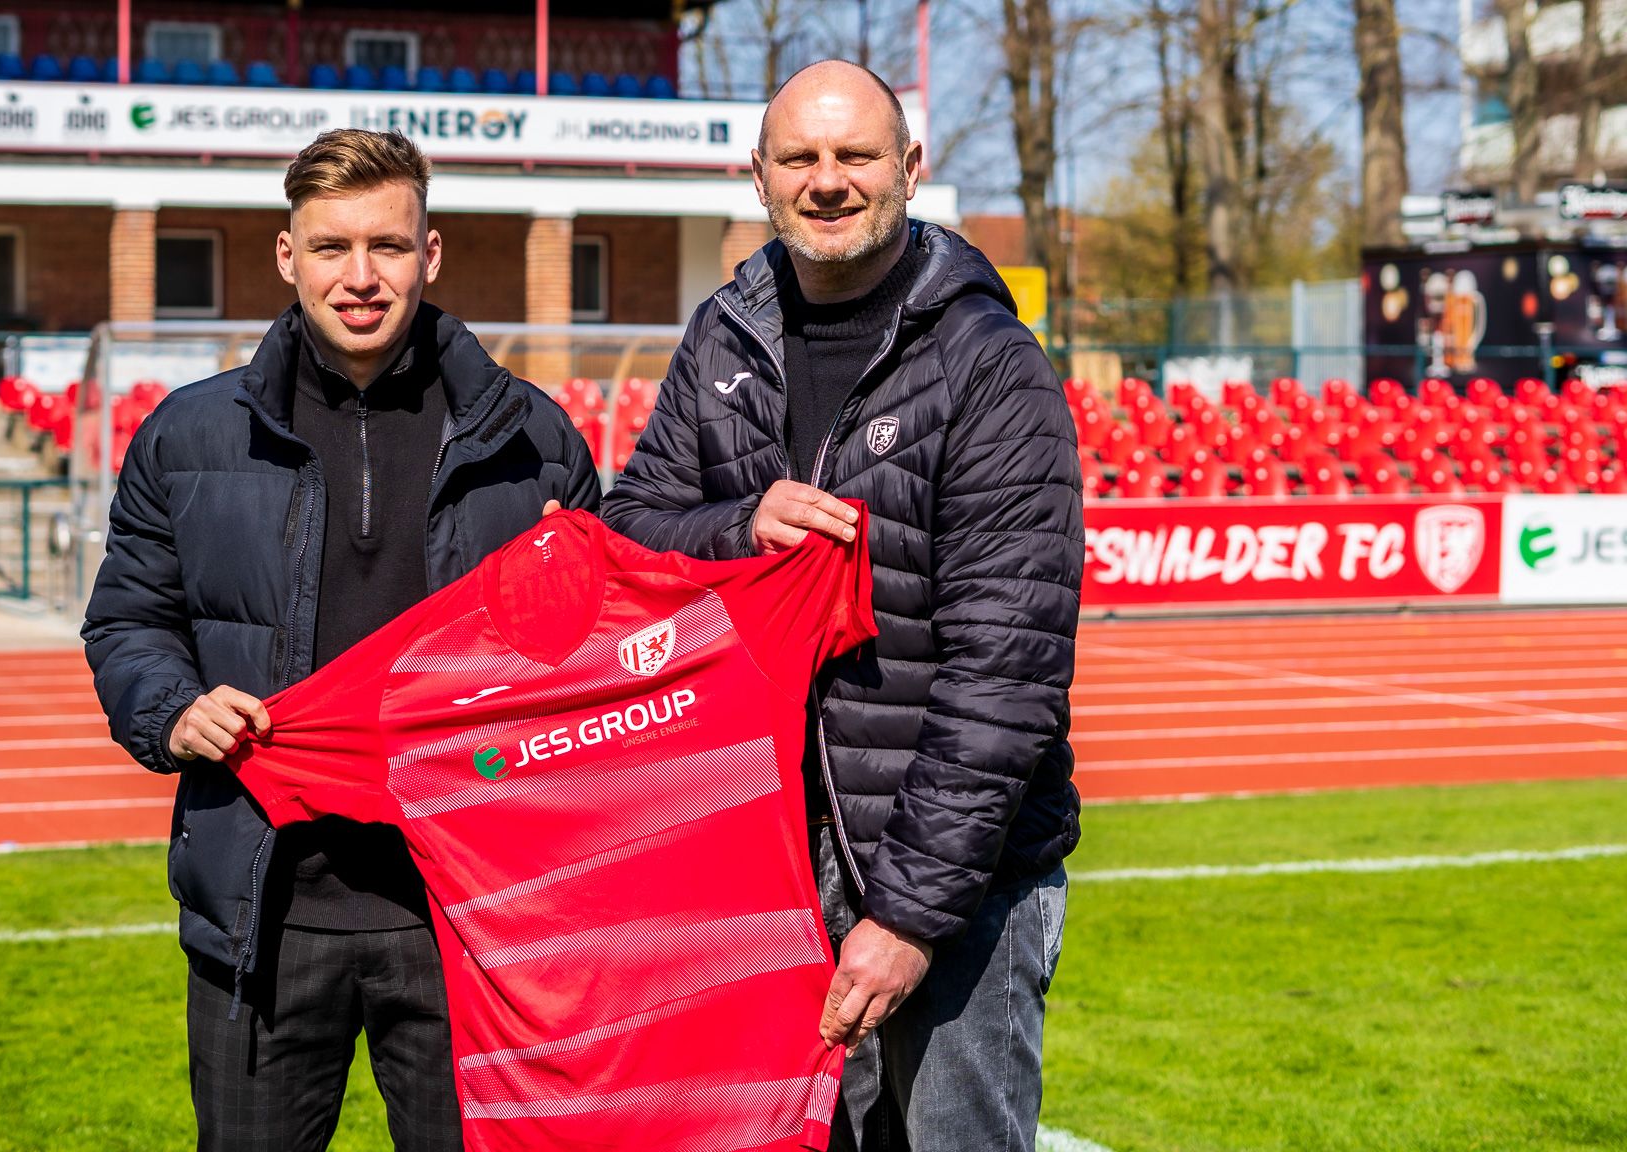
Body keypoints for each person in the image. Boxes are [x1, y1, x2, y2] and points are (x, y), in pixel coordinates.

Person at [83, 128, 600, 1152]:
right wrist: (173, 710)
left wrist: (572, 599)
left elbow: (590, 669)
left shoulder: (533, 440)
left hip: (469, 924)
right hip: (264, 914)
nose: (359, 277)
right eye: (330, 247)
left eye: (387, 246)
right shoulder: (188, 435)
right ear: (288, 256)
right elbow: (129, 620)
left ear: (429, 253)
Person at [600, 60, 1083, 1151]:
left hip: (954, 892)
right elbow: (631, 528)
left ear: (909, 167)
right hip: (771, 868)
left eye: (854, 155)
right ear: (758, 176)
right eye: (799, 158)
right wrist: (739, 526)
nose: (826, 181)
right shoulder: (724, 333)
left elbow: (1004, 677)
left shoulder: (986, 363)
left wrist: (907, 915)